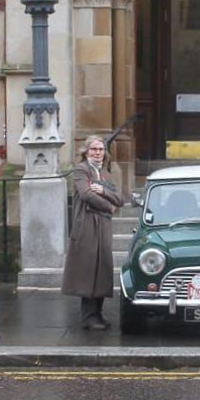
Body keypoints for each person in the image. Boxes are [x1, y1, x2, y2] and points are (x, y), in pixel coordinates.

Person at [62, 135, 124, 330]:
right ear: (86, 152)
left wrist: (104, 192)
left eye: (100, 149)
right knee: (88, 270)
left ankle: (98, 313)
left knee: (103, 268)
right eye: (94, 149)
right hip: (87, 224)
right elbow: (87, 194)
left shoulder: (105, 174)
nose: (98, 153)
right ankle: (88, 316)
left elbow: (120, 198)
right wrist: (109, 207)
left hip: (103, 226)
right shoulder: (81, 170)